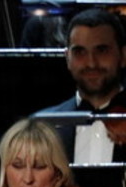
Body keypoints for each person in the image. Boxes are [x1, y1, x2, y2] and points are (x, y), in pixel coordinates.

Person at [37, 9, 126, 167]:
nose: (91, 63)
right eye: (80, 52)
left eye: (102, 50)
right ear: (67, 58)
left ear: (123, 55)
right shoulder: (43, 125)